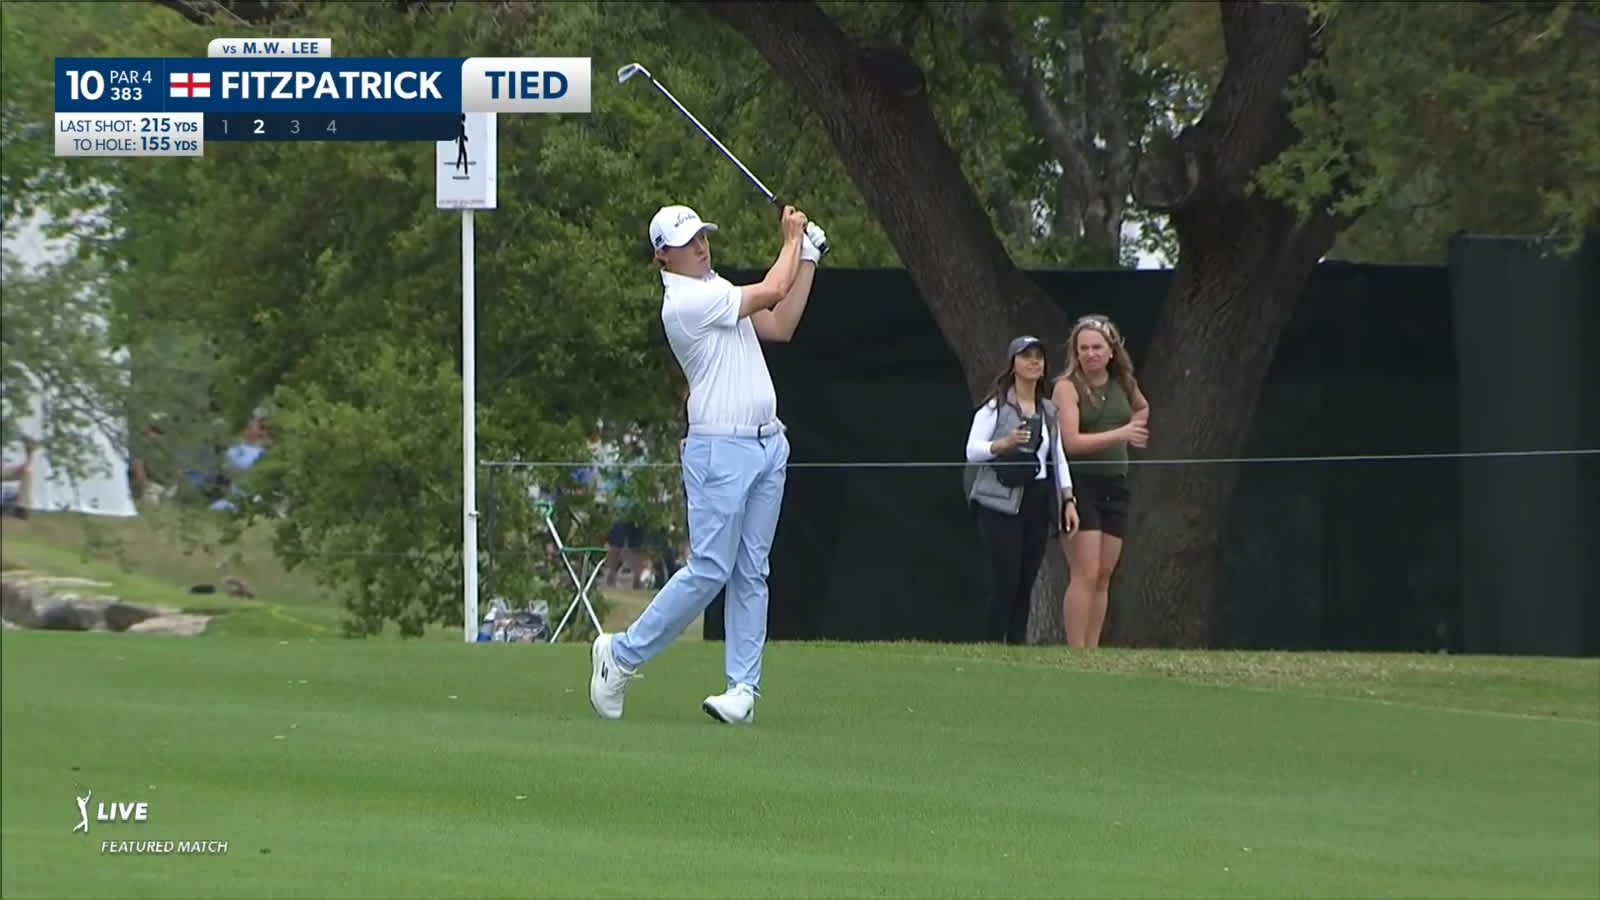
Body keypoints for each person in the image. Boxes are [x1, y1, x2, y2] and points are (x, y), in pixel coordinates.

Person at [588, 202, 827, 724]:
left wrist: (806, 256)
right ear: (662, 258)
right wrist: (792, 240)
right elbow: (772, 290)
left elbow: (781, 323)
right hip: (719, 449)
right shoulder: (685, 302)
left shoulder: (716, 288)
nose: (700, 246)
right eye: (685, 242)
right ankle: (620, 654)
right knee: (710, 569)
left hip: (767, 445)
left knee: (751, 572)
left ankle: (742, 689)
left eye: (700, 236)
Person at [965, 336, 1078, 644]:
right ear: (1012, 363)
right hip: (999, 501)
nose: (1033, 362)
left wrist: (1067, 498)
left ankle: (1016, 647)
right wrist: (1003, 444)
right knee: (1006, 580)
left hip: (1038, 498)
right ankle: (990, 644)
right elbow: (972, 451)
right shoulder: (995, 407)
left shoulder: (1048, 410)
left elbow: (1058, 455)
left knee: (1026, 580)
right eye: (1026, 356)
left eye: (1038, 357)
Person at [1051, 314, 1149, 648]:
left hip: (1115, 483)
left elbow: (1142, 409)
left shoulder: (1124, 382)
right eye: (1083, 349)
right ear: (1075, 354)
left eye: (1097, 347)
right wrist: (1121, 433)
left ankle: (1093, 652)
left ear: (1111, 351)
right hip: (1080, 485)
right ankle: (1076, 651)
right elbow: (1072, 442)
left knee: (1104, 576)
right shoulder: (1067, 387)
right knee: (1085, 573)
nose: (1090, 354)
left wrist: (1134, 430)